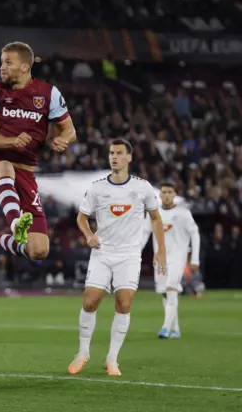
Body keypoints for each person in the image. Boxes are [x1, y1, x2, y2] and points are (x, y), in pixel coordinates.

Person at [68, 139, 167, 377]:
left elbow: (156, 218)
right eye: (111, 153)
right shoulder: (97, 187)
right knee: (90, 301)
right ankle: (83, 353)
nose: (114, 157)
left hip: (129, 254)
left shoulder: (143, 188)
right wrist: (89, 235)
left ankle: (112, 359)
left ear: (129, 157)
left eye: (119, 153)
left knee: (124, 303)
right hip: (102, 252)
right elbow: (81, 217)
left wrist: (160, 250)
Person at [0, 41, 76, 273]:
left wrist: (64, 139)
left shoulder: (48, 93)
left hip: (26, 174)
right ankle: (15, 224)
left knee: (39, 250)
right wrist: (12, 140)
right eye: (2, 62)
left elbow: (70, 129)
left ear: (24, 66)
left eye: (8, 63)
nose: (2, 67)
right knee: (5, 168)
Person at [141, 181, 200, 339]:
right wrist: (136, 252)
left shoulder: (183, 213)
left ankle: (165, 328)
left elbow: (195, 233)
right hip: (160, 259)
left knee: (170, 288)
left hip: (177, 257)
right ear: (160, 195)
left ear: (175, 195)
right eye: (164, 192)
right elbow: (145, 233)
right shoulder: (153, 213)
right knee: (164, 293)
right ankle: (175, 329)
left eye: (169, 192)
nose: (166, 195)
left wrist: (194, 258)